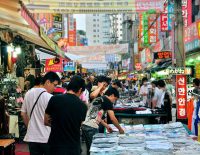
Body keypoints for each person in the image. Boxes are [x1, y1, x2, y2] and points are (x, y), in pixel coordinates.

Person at [44, 75, 87, 155]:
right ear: (80, 90)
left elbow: (46, 121)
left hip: (55, 146)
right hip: (73, 147)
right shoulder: (83, 106)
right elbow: (80, 125)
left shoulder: (54, 99)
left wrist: (57, 125)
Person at [21, 72, 60, 155]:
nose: (55, 88)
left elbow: (23, 114)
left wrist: (30, 127)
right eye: (55, 85)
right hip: (46, 137)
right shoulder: (50, 97)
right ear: (48, 82)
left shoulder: (28, 93)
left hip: (32, 137)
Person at [82, 87, 124, 155]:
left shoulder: (99, 99)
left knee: (90, 149)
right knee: (95, 151)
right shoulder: (107, 101)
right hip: (91, 127)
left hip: (85, 125)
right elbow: (113, 118)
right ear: (112, 95)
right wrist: (120, 129)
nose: (114, 101)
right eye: (115, 99)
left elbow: (97, 116)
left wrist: (106, 126)